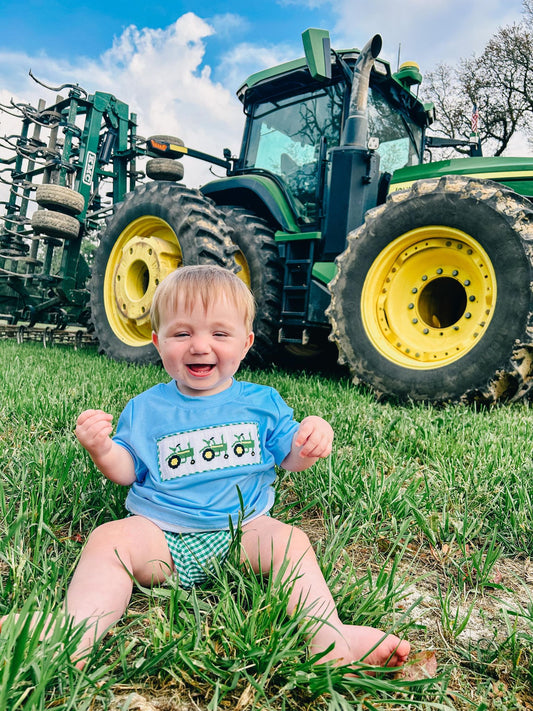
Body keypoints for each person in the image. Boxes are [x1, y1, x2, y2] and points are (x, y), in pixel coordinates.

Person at [8, 265, 411, 670]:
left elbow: (289, 456)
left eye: (219, 334)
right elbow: (128, 470)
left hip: (244, 532)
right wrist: (102, 448)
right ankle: (75, 632)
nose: (200, 346)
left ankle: (331, 638)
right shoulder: (146, 407)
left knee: (292, 543)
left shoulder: (262, 402)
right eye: (182, 334)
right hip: (160, 535)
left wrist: (309, 441)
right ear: (157, 342)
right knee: (106, 541)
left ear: (246, 342)